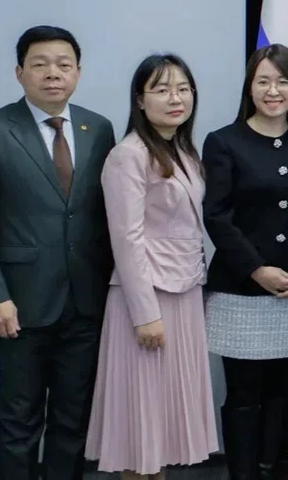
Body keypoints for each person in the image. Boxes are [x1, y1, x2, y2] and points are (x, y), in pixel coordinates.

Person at [0, 26, 115, 480]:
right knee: (19, 420)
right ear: (19, 72)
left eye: (63, 64)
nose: (52, 73)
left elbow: (104, 214)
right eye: (39, 64)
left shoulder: (98, 128)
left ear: (78, 72)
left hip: (86, 303)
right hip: (18, 304)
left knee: (72, 420)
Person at [85, 54, 219, 477]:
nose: (175, 98)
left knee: (163, 426)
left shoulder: (183, 150)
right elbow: (126, 239)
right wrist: (145, 314)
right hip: (146, 300)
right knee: (139, 426)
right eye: (162, 90)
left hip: (185, 293)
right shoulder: (128, 154)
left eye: (183, 89)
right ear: (140, 100)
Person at [202, 45, 288, 479]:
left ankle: (273, 469)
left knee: (283, 392)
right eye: (263, 81)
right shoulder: (224, 141)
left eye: (283, 82)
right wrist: (257, 269)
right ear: (250, 87)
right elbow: (217, 216)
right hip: (242, 289)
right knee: (243, 394)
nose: (273, 91)